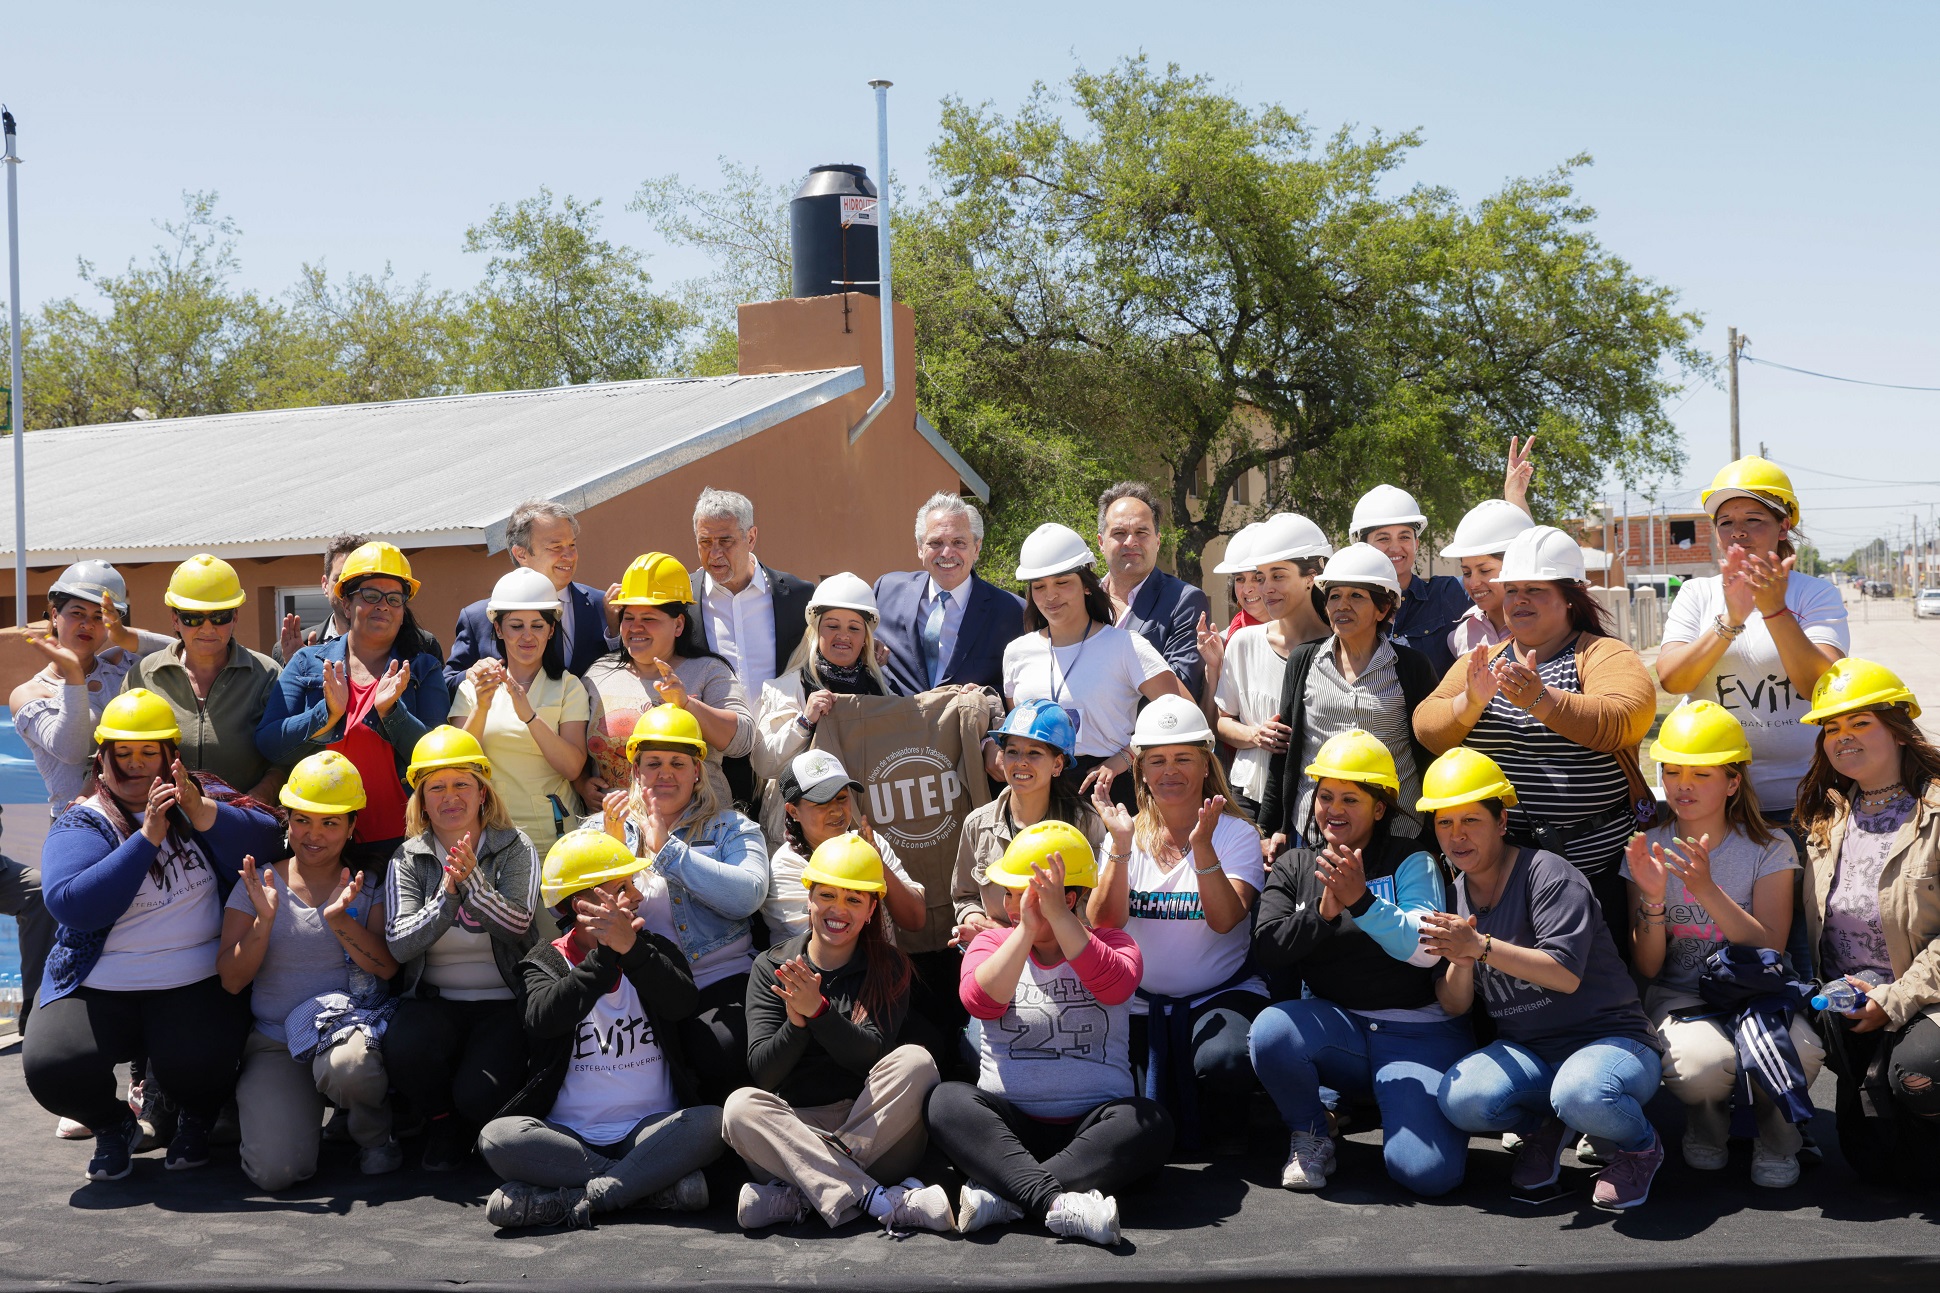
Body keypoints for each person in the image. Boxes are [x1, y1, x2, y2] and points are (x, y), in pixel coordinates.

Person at [23, 689, 279, 1181]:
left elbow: (272, 839)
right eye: (123, 753)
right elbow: (72, 903)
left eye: (148, 752)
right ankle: (113, 1125)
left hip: (194, 977)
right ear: (103, 758)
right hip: (101, 984)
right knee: (53, 1067)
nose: (137, 764)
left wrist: (200, 812)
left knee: (200, 1064)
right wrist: (146, 840)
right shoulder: (85, 818)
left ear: (170, 755)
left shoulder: (200, 794)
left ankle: (197, 1115)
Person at [1419, 748, 1667, 1212]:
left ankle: (1640, 1145)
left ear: (1501, 821)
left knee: (1583, 1094)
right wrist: (1463, 961)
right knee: (1460, 1099)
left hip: (1613, 1042)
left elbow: (1565, 975)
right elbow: (1454, 1005)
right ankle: (1546, 1126)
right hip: (1531, 1054)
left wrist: (1481, 947)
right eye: (1444, 823)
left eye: (1470, 820)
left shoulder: (1549, 873)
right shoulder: (1450, 895)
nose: (1457, 835)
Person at [1415, 526, 1658, 957]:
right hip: (1498, 872)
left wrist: (1541, 700)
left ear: (1570, 596)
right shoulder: (1486, 659)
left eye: (1534, 589)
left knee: (1593, 982)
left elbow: (1625, 719)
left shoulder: (1601, 653)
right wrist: (1470, 702)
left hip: (1591, 869)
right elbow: (1428, 727)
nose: (1519, 600)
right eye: (1512, 591)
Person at [1249, 730, 1471, 1195]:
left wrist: (1363, 903)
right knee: (1271, 1029)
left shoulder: (1413, 859)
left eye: (1350, 798)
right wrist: (1325, 912)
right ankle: (1311, 1131)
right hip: (1342, 1031)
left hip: (1417, 1033)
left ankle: (1391, 1103)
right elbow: (1268, 946)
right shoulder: (1295, 864)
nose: (1334, 809)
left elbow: (1425, 949)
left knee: (1427, 1175)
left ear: (1379, 807)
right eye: (1325, 795)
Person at [929, 821, 1172, 1245]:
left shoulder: (1115, 942)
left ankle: (1006, 1197)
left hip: (1092, 1130)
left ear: (1068, 897)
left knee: (1151, 1124)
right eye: (1008, 894)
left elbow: (1116, 986)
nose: (1010, 905)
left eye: (1023, 894)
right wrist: (1024, 930)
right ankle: (1057, 1203)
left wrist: (1058, 918)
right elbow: (979, 1001)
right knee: (946, 1101)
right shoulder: (991, 943)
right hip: (1008, 1130)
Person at [477, 829, 724, 1230]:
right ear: (584, 905)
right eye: (623, 887)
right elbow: (542, 1019)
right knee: (497, 1138)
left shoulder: (653, 947)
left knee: (712, 1122)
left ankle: (582, 1198)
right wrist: (604, 959)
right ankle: (650, 1188)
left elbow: (682, 1003)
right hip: (569, 1138)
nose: (639, 895)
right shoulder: (542, 961)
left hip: (650, 1129)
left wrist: (632, 952)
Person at [1621, 701, 1819, 1188]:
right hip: (1682, 995)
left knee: (1804, 1048)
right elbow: (1647, 967)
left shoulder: (1771, 844)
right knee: (1701, 1067)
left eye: (1701, 774)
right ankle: (1707, 1125)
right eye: (1671, 771)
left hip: (1759, 991)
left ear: (1733, 782)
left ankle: (1778, 1138)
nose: (1682, 785)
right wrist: (1651, 898)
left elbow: (1770, 945)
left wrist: (1706, 888)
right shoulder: (1648, 847)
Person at [722, 832, 953, 1233]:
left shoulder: (890, 966)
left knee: (916, 1061)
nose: (838, 909)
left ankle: (804, 1192)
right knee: (740, 1107)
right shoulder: (771, 965)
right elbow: (765, 1074)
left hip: (872, 1129)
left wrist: (818, 1012)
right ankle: (875, 1197)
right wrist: (796, 1023)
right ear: (808, 898)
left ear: (870, 910)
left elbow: (871, 1055)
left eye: (853, 899)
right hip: (796, 1129)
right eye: (827, 895)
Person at [217, 751, 403, 1189]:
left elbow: (387, 969)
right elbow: (231, 979)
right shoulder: (256, 883)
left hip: (345, 1033)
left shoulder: (367, 884)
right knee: (275, 1174)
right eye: (302, 820)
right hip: (275, 1041)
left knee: (348, 1068)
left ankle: (372, 1133)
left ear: (352, 827)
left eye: (330, 823)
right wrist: (263, 923)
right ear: (286, 820)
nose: (313, 834)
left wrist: (340, 920)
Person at [1090, 695, 1265, 1151]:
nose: (1170, 771)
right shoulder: (1122, 831)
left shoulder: (1236, 833)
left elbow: (1226, 920)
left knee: (1223, 1062)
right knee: (1122, 1101)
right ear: (1142, 772)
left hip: (1220, 996)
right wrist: (1122, 847)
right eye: (1158, 760)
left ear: (1207, 765)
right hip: (1140, 1006)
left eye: (1184, 758)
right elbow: (1102, 924)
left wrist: (1203, 849)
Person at [1793, 658, 1940, 1188]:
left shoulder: (1937, 811)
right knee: (1873, 1168)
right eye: (1833, 727)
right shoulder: (1824, 816)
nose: (1843, 737)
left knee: (1922, 1075)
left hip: (1925, 997)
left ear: (1898, 731)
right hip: (1850, 1000)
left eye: (1860, 723)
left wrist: (1895, 1000)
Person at [383, 726, 541, 1171]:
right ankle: (440, 1123)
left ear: (482, 795)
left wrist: (472, 880)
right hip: (435, 1001)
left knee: (480, 1095)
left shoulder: (515, 846)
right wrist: (448, 895)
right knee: (405, 1046)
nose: (449, 797)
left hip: (504, 1001)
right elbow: (399, 943)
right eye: (436, 788)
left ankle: (480, 1122)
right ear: (422, 800)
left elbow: (517, 925)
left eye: (461, 785)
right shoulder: (408, 857)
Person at [1657, 457, 1848, 821]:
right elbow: (1672, 679)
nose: (1737, 532)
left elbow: (1819, 687)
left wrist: (1774, 610)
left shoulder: (1816, 594)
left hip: (1804, 799)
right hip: (1713, 804)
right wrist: (1732, 619)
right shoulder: (1696, 593)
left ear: (1783, 526)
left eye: (1753, 520)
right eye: (1725, 522)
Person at [595, 704, 768, 1103]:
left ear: (697, 771)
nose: (665, 773)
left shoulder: (732, 826)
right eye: (653, 762)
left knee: (722, 1050)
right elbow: (561, 906)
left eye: (678, 762)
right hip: (638, 983)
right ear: (636, 771)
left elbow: (748, 895)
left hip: (720, 977)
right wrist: (609, 847)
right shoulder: (605, 825)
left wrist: (667, 851)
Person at [258, 541, 451, 875]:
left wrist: (393, 712)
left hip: (402, 843)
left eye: (394, 598)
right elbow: (269, 743)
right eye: (371, 595)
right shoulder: (306, 662)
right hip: (319, 842)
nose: (384, 606)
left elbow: (435, 760)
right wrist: (326, 715)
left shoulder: (422, 669)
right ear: (346, 604)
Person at [1257, 543, 1437, 851]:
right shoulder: (1303, 661)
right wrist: (1271, 826)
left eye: (1356, 596)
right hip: (1315, 832)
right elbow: (1284, 749)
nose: (1342, 605)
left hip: (1398, 831)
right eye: (1335, 596)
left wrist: (1435, 832)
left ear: (1383, 608)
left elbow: (1431, 749)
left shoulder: (1411, 667)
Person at [1004, 523, 1188, 805]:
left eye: (1062, 583)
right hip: (1035, 795)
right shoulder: (1017, 652)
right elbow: (1015, 734)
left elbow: (1180, 714)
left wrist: (1124, 758)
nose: (1050, 596)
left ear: (1087, 587)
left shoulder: (1125, 645)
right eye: (1039, 587)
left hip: (1110, 792)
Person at [582, 552, 754, 813]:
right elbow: (574, 749)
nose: (635, 627)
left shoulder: (708, 670)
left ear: (678, 624)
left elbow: (742, 741)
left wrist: (686, 704)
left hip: (698, 829)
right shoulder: (598, 673)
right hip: (619, 833)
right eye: (629, 617)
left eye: (649, 619)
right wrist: (582, 784)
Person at [12, 560, 173, 821]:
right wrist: (74, 676)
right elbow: (71, 750)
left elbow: (182, 653)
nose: (87, 624)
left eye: (99, 617)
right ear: (54, 615)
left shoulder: (120, 664)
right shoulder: (31, 693)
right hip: (81, 822)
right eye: (77, 613)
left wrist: (123, 636)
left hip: (145, 817)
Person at [1204, 513, 1335, 819]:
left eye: (1278, 576)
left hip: (1319, 802)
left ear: (1310, 577)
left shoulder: (1338, 646)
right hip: (1249, 797)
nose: (1264, 589)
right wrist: (1255, 735)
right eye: (1261, 577)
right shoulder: (1243, 643)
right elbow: (1223, 722)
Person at [450, 568, 590, 852]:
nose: (528, 636)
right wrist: (482, 706)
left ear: (551, 630)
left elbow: (573, 767)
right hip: (490, 838)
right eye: (516, 626)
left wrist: (530, 716)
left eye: (537, 626)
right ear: (499, 629)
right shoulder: (473, 687)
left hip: (555, 838)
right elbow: (458, 764)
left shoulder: (568, 687)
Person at [689, 489, 814, 807]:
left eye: (726, 541)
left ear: (752, 537)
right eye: (705, 542)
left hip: (785, 761)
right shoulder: (681, 602)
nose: (714, 553)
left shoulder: (798, 597)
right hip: (710, 770)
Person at [126, 554, 284, 802]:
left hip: (244, 824)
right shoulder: (144, 676)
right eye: (193, 618)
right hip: (165, 826)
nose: (208, 628)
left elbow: (286, 756)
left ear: (235, 617)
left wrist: (256, 800)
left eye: (220, 616)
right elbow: (114, 753)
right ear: (175, 620)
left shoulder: (267, 675)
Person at [952, 701, 1107, 946]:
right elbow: (965, 896)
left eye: (1034, 753)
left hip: (1063, 963)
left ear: (1058, 764)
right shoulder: (977, 823)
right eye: (1012, 751)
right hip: (999, 965)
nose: (1021, 762)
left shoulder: (1085, 823)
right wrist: (974, 920)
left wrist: (1007, 936)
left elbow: (1095, 910)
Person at [750, 573, 890, 844]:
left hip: (868, 827)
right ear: (816, 630)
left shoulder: (881, 692)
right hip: (801, 840)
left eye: (854, 628)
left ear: (866, 638)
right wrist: (805, 721)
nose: (843, 636)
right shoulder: (786, 688)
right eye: (832, 626)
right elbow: (764, 763)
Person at [446, 501, 614, 692]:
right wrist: (472, 674)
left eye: (572, 545)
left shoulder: (603, 606)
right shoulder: (477, 617)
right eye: (556, 547)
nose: (570, 555)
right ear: (521, 554)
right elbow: (447, 687)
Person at [762, 750, 926, 945]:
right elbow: (831, 945)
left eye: (842, 798)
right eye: (821, 803)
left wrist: (877, 863)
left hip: (884, 972)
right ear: (793, 811)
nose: (837, 810)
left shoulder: (871, 844)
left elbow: (915, 920)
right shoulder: (788, 866)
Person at [875, 492, 1025, 695]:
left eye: (958, 542)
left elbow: (1023, 685)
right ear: (920, 548)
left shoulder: (1013, 612)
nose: (946, 553)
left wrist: (989, 693)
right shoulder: (886, 591)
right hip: (899, 725)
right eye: (935, 543)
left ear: (977, 548)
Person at [1095, 482, 1211, 698]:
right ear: (1101, 542)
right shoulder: (1083, 597)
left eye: (1141, 532)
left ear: (1157, 541)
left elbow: (1181, 688)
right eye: (1119, 532)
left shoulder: (1184, 602)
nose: (1131, 541)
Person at [1347, 484, 1470, 678]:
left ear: (1416, 543)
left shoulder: (1445, 594)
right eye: (1383, 538)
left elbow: (1509, 577)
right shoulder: (1346, 607)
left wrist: (1516, 496)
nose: (1395, 548)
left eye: (1404, 537)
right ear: (1364, 547)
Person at [1440, 499, 1536, 656]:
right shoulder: (1460, 637)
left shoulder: (1549, 627)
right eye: (1466, 573)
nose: (1473, 583)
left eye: (1484, 570)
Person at [275, 534, 367, 664]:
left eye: (357, 579)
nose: (349, 589)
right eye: (340, 579)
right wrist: (297, 669)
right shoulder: (292, 649)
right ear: (325, 585)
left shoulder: (398, 644)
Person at [1212, 521, 1266, 638]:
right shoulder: (1224, 640)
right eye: (1240, 579)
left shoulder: (1302, 634)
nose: (1247, 589)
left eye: (1257, 578)